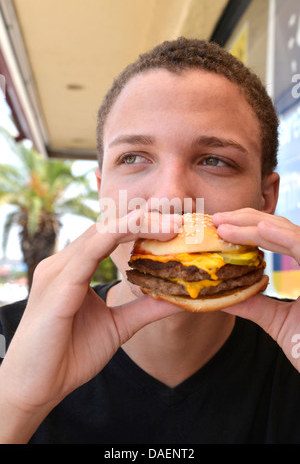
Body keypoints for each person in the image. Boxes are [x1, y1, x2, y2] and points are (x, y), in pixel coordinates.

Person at [0, 37, 300, 444]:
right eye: (134, 157)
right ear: (104, 191)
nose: (170, 198)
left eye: (215, 160)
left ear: (265, 200)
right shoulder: (10, 341)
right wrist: (16, 405)